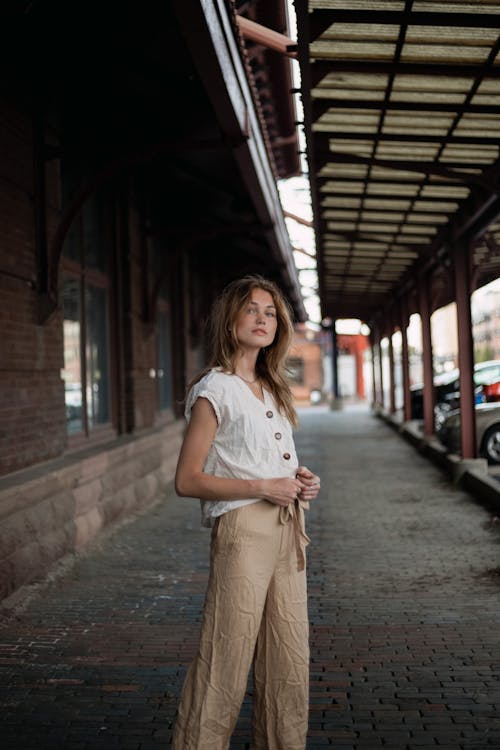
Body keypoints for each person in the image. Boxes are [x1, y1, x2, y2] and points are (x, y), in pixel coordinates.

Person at [172, 274, 321, 750]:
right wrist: (261, 486)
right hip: (243, 530)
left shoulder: (274, 388)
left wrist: (302, 481)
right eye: (252, 309)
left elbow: (275, 463)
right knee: (226, 656)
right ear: (231, 319)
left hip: (287, 528)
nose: (263, 319)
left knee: (289, 659)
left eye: (271, 312)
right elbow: (186, 479)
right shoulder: (215, 388)